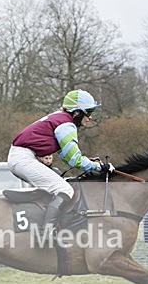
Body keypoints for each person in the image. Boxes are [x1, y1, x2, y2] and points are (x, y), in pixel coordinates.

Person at [8, 89, 112, 235]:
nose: (90, 118)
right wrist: (99, 167)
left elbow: (66, 156)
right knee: (65, 190)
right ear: (77, 113)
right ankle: (46, 233)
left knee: (58, 187)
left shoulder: (60, 119)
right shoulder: (66, 124)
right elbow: (74, 160)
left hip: (21, 157)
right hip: (23, 159)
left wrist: (88, 162)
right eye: (88, 112)